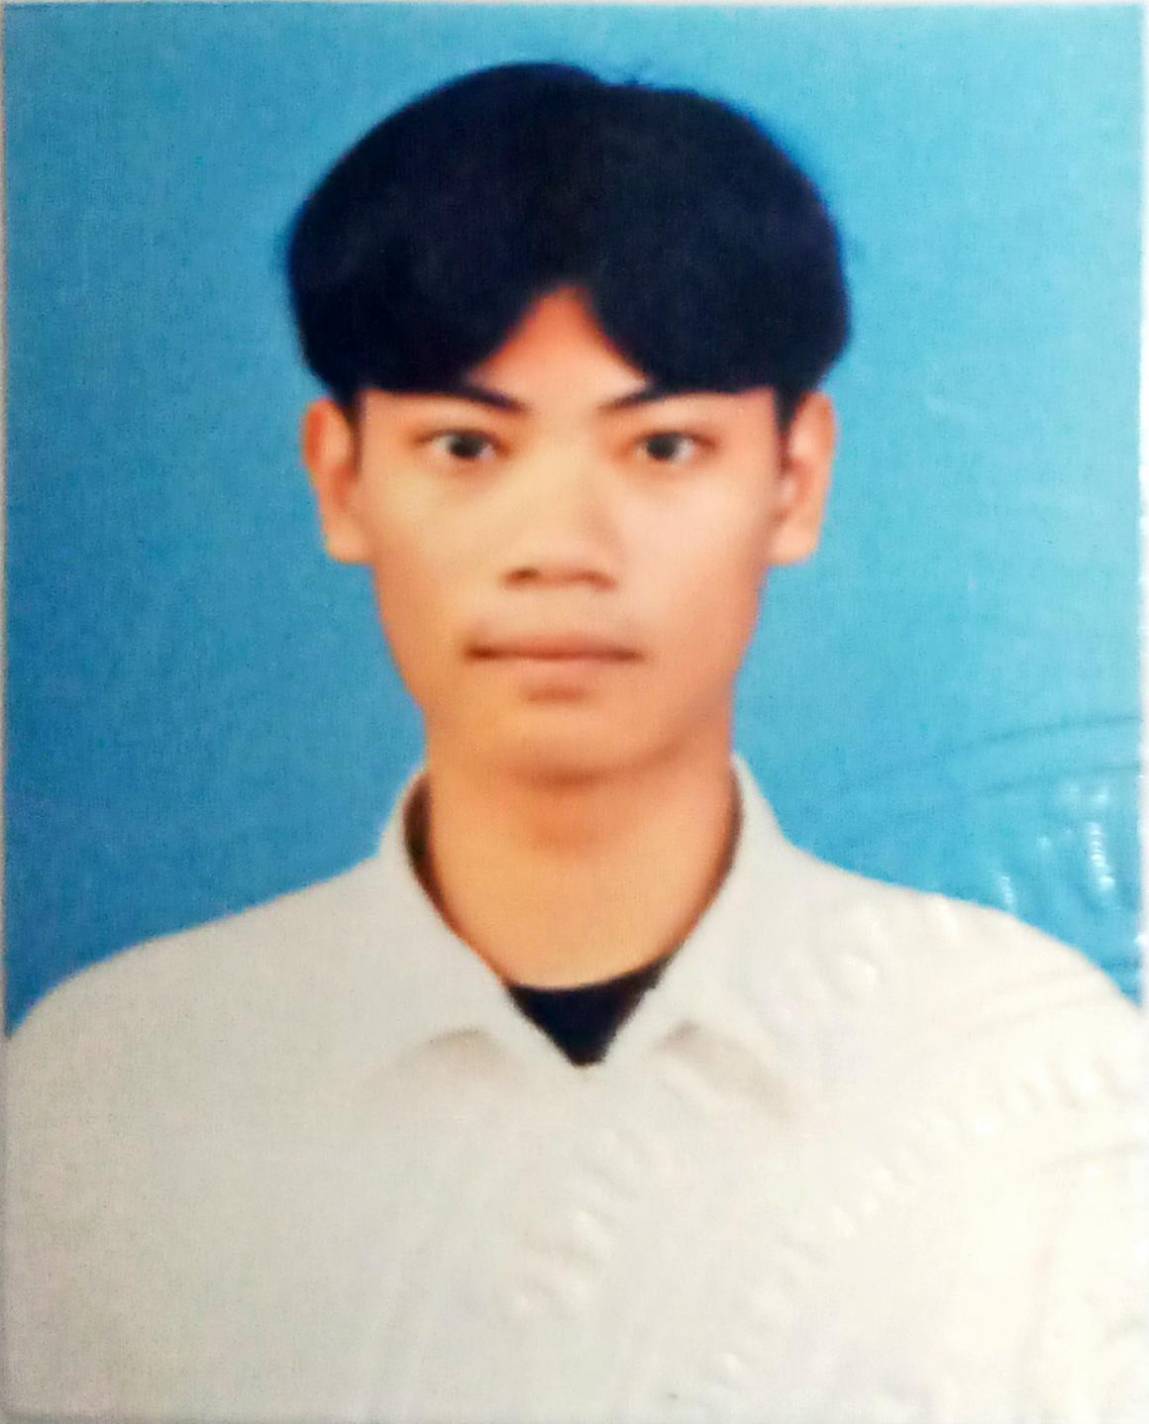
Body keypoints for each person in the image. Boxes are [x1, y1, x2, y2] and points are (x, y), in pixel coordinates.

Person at [5, 62, 1144, 1424]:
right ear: (341, 477)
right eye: (465, 448)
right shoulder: (109, 1088)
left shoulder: (1016, 1065)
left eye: (661, 449)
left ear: (794, 479)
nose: (560, 551)